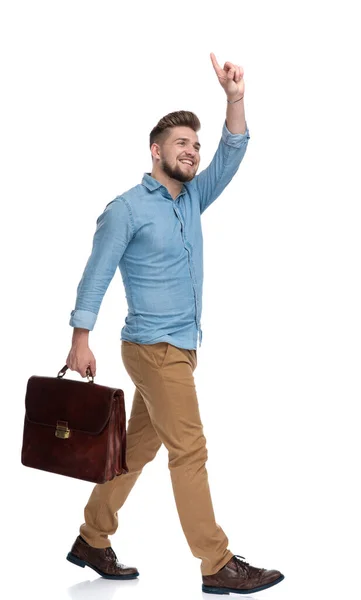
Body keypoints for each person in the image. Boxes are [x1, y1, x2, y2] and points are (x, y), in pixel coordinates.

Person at [65, 52, 284, 595]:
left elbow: (232, 154)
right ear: (156, 151)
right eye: (181, 143)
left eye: (196, 144)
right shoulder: (127, 209)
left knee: (137, 448)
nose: (192, 151)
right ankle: (217, 563)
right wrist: (80, 339)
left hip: (180, 347)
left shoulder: (190, 200)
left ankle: (93, 536)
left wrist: (234, 99)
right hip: (154, 349)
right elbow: (96, 275)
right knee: (190, 449)